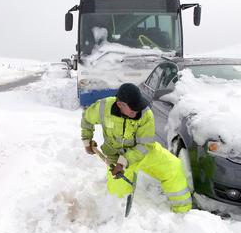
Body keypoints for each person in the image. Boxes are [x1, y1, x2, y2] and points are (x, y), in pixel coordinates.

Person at [81, 83, 192, 213]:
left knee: (173, 167)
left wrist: (124, 161)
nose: (138, 111)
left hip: (143, 152)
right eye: (133, 110)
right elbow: (87, 119)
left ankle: (183, 212)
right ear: (120, 104)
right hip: (115, 157)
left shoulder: (146, 114)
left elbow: (144, 145)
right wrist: (87, 140)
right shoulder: (103, 107)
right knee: (117, 199)